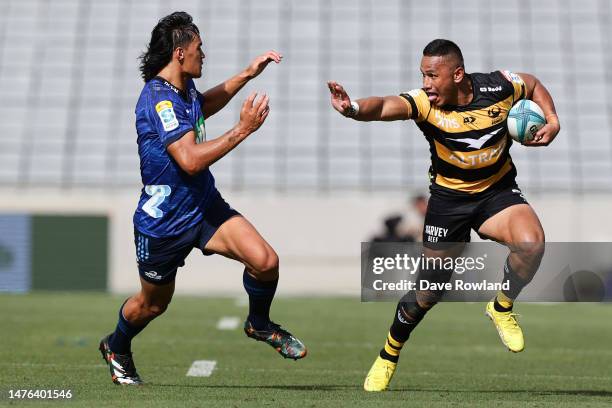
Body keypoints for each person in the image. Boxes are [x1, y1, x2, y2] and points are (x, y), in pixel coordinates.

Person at [328, 39, 559, 391]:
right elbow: (387, 105)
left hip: (496, 193)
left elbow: (533, 83)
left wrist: (553, 120)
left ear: (458, 74)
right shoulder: (425, 104)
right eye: (423, 74)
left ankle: (501, 306)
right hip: (448, 203)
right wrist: (354, 107)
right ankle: (389, 354)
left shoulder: (499, 87)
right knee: (428, 291)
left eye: (433, 75)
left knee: (532, 244)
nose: (425, 83)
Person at [99, 11, 306, 386]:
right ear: (180, 53)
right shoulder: (159, 100)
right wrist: (242, 129)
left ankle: (259, 324)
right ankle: (116, 346)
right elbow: (190, 160)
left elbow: (203, 105)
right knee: (153, 305)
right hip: (164, 223)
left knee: (265, 261)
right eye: (199, 48)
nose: (203, 55)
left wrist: (247, 73)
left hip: (204, 208)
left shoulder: (182, 90)